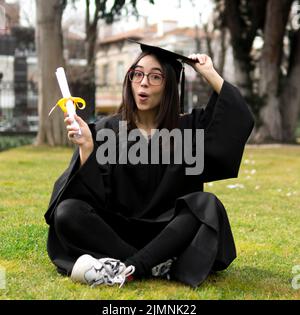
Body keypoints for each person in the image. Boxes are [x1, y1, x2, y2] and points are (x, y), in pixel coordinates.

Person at [44, 40, 255, 288]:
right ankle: (150, 265)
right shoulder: (105, 130)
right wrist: (87, 149)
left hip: (170, 233)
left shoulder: (189, 130)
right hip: (117, 231)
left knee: (206, 205)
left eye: (156, 77)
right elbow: (88, 197)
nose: (143, 82)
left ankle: (128, 266)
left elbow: (238, 117)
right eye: (138, 74)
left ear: (169, 86)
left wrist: (209, 73)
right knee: (67, 212)